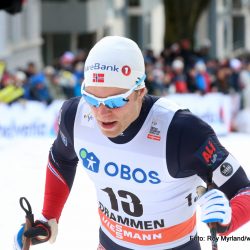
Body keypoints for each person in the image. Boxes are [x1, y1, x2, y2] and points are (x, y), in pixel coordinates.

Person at [14, 36, 250, 250]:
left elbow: (244, 191)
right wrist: (48, 218)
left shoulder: (183, 132)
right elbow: (61, 158)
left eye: (116, 101)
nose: (102, 112)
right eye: (92, 99)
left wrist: (227, 219)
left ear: (140, 92)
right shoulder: (75, 116)